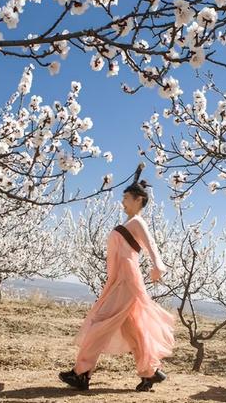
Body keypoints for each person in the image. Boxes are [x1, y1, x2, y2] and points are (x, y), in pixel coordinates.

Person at [59, 164, 174, 392]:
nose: (122, 202)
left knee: (99, 322)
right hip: (120, 279)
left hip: (126, 281)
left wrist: (158, 266)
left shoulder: (137, 222)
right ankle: (150, 372)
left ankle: (81, 373)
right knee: (133, 329)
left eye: (126, 198)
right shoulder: (129, 223)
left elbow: (151, 246)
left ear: (138, 200)